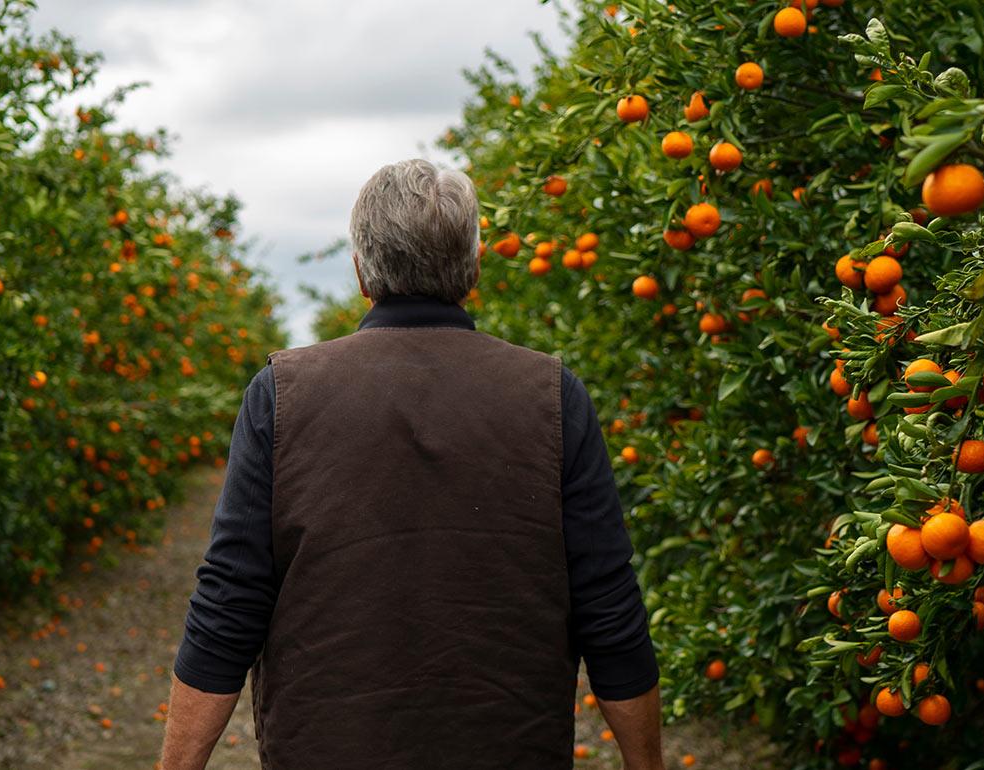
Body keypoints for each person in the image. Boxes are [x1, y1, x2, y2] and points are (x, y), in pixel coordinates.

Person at [158, 159, 661, 770]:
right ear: (473, 267)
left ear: (361, 271)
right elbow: (609, 609)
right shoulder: (552, 395)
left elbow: (230, 602)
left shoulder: (282, 395)